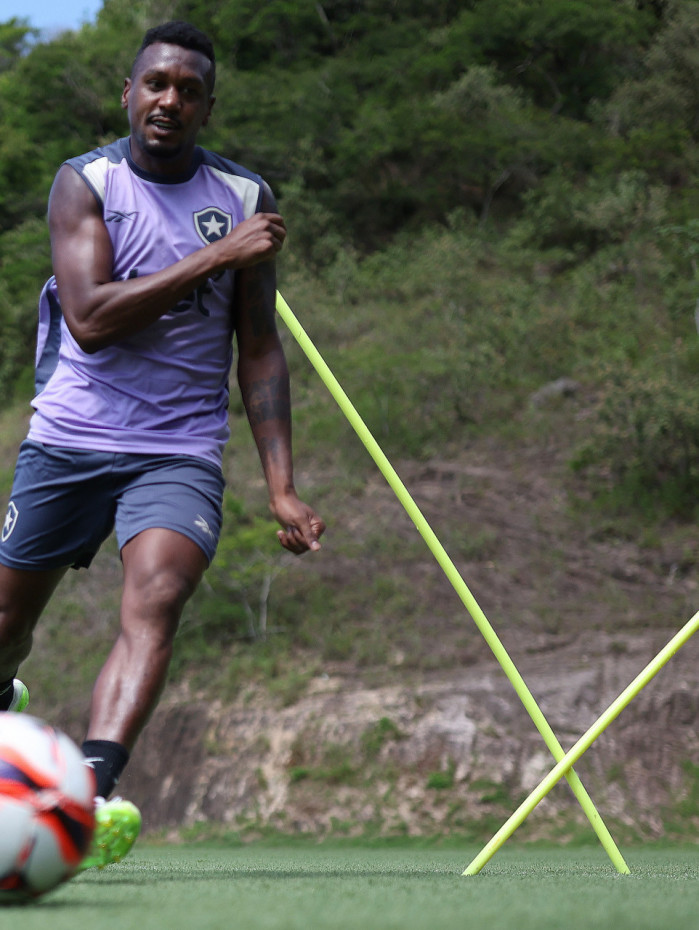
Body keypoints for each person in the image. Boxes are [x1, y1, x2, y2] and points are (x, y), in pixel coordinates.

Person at [0, 21, 325, 869]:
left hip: (176, 449)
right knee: (6, 622)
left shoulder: (245, 195)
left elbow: (259, 347)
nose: (169, 100)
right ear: (128, 95)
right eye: (155, 84)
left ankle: (93, 796)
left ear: (207, 105)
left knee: (158, 596)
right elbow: (92, 319)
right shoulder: (88, 183)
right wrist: (215, 255)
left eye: (188, 89)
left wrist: (282, 487)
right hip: (69, 437)